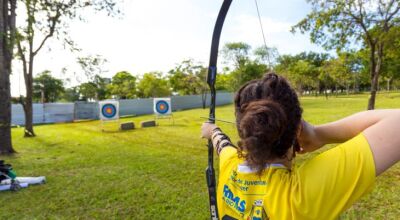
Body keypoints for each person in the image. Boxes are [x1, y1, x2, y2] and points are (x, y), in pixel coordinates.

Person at [201, 73, 400, 220]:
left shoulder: (230, 164)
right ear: (297, 130)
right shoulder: (301, 195)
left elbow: (220, 142)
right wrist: (318, 134)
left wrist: (211, 129)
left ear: (243, 127)